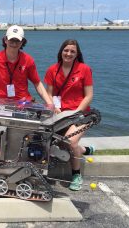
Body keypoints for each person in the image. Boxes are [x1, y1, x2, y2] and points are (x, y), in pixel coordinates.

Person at [44, 39, 95, 191]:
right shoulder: (52, 70)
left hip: (81, 114)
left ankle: (76, 174)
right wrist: (54, 108)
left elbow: (89, 95)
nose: (69, 53)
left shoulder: (84, 69)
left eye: (72, 51)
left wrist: (77, 111)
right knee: (53, 142)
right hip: (60, 114)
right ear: (61, 52)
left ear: (77, 54)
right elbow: (49, 94)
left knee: (70, 143)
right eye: (66, 50)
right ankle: (85, 150)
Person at [0, 25, 53, 107]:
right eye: (11, 40)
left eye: (17, 40)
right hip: (0, 106)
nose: (14, 44)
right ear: (5, 40)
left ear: (22, 42)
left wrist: (49, 104)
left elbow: (37, 83)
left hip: (24, 105)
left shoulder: (28, 60)